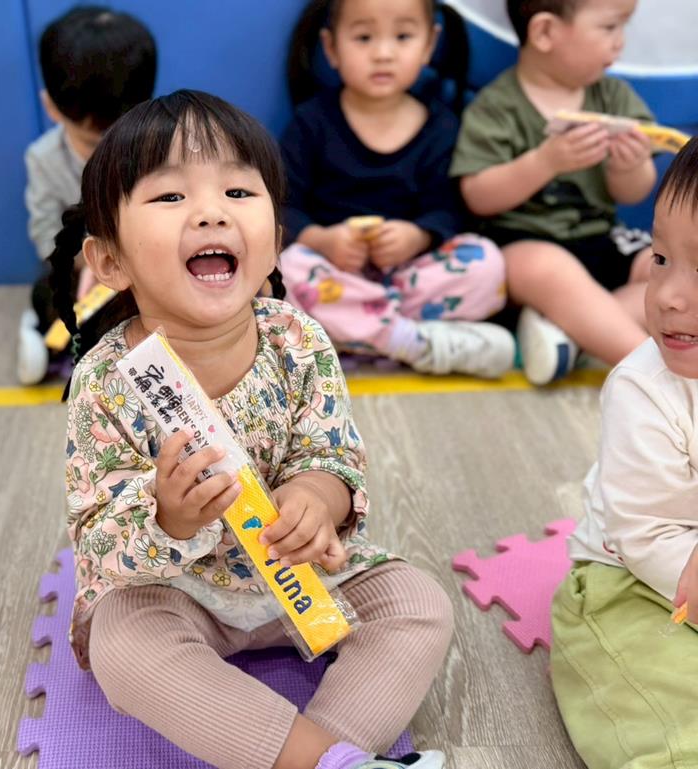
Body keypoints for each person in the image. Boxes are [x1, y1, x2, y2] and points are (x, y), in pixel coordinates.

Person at [52, 89, 453, 769]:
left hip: (297, 572)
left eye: (238, 191)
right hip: (178, 588)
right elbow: (97, 533)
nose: (212, 211)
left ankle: (322, 753)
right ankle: (321, 761)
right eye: (170, 196)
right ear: (111, 261)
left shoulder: (298, 338)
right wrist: (168, 514)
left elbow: (331, 451)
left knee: (418, 603)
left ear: (276, 240)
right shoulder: (106, 379)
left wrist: (316, 497)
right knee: (123, 643)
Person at [550, 137, 698, 768]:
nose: (668, 295)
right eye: (661, 258)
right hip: (633, 580)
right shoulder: (645, 388)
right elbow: (647, 532)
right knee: (670, 717)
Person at [278, 0, 514, 379]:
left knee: (485, 262)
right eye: (364, 38)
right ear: (332, 48)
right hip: (333, 272)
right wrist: (322, 240)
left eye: (403, 36)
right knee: (287, 269)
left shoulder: (441, 127)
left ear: (429, 45)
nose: (383, 54)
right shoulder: (312, 122)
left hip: (409, 276)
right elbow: (283, 206)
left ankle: (352, 334)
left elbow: (450, 210)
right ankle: (410, 341)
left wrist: (417, 236)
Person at [452, 0, 656, 385]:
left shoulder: (613, 97)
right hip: (523, 244)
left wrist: (629, 167)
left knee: (668, 268)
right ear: (545, 32)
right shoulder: (498, 106)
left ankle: (570, 334)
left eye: (623, 27)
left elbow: (634, 194)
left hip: (601, 238)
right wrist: (544, 162)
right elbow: (476, 195)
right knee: (547, 268)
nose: (620, 43)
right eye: (609, 27)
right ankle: (650, 375)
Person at [17, 5, 156, 384]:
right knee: (49, 293)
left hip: (142, 265)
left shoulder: (156, 151)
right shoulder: (44, 159)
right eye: (92, 142)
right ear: (51, 107)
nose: (105, 152)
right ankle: (45, 335)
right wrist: (88, 263)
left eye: (117, 137)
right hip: (82, 266)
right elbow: (45, 232)